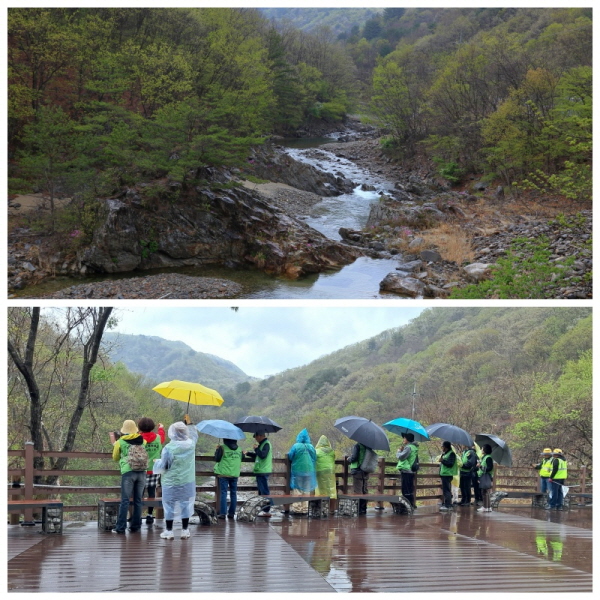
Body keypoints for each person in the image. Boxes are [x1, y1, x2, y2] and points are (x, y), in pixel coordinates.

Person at [153, 416, 199, 539]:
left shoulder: (169, 448)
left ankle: (169, 531)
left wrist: (156, 462)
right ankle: (185, 530)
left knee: (169, 506)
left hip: (171, 482)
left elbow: (164, 466)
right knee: (185, 505)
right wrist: (189, 424)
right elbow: (194, 435)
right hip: (187, 481)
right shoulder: (191, 445)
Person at [111, 419, 147, 534]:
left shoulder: (120, 442)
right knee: (138, 500)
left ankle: (120, 528)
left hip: (128, 472)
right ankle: (135, 526)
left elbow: (115, 457)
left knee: (125, 501)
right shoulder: (143, 441)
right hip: (142, 472)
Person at [138, 417, 165, 524]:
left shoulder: (139, 438)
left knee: (139, 493)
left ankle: (138, 515)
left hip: (141, 469)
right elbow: (162, 436)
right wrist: (161, 428)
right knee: (151, 492)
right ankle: (150, 515)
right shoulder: (158, 438)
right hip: (154, 469)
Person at [288, 428, 317, 514]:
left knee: (297, 489)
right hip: (309, 471)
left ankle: (297, 509)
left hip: (298, 470)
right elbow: (315, 457)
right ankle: (305, 509)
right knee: (306, 490)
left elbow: (290, 456)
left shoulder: (296, 446)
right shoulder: (311, 446)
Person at [244, 430, 273, 517]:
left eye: (256, 437)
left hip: (263, 471)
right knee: (261, 491)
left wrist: (256, 449)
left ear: (260, 436)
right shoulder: (263, 444)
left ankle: (266, 510)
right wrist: (248, 453)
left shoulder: (266, 444)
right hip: (260, 470)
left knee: (264, 491)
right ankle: (263, 509)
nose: (255, 439)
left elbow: (262, 455)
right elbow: (258, 455)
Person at [214, 437, 242, 519]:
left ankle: (223, 513)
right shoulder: (239, 449)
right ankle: (231, 514)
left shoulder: (222, 448)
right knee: (233, 493)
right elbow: (242, 458)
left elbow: (217, 459)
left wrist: (217, 450)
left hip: (224, 474)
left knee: (223, 493)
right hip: (235, 473)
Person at [347, 441, 371, 514]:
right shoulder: (368, 447)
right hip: (365, 471)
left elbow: (354, 458)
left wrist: (349, 459)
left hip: (357, 470)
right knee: (364, 490)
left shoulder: (358, 446)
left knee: (358, 490)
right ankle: (363, 508)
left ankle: (358, 509)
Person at [395, 433, 418, 508]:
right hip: (411, 470)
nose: (403, 439)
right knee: (409, 489)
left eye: (404, 438)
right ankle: (411, 504)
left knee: (405, 489)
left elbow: (401, 457)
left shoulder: (408, 447)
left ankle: (407, 506)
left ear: (407, 439)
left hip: (406, 469)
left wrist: (398, 451)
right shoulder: (414, 447)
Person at [315, 435, 337, 507]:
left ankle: (322, 507)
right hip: (331, 472)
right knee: (331, 489)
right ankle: (332, 508)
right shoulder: (332, 451)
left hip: (320, 471)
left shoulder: (317, 451)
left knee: (321, 489)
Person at [438, 441, 457, 511]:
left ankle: (448, 505)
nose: (442, 448)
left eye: (442, 446)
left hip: (447, 474)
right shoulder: (445, 453)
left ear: (445, 447)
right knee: (446, 489)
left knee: (447, 490)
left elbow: (450, 464)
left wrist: (442, 460)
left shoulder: (451, 454)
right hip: (444, 474)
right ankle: (446, 503)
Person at [476, 444, 494, 512]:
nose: (481, 450)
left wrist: (480, 466)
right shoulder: (484, 457)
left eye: (482, 449)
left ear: (485, 450)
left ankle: (486, 506)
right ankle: (487, 506)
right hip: (483, 475)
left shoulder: (488, 458)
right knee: (485, 491)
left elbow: (490, 468)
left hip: (486, 476)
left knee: (485, 491)